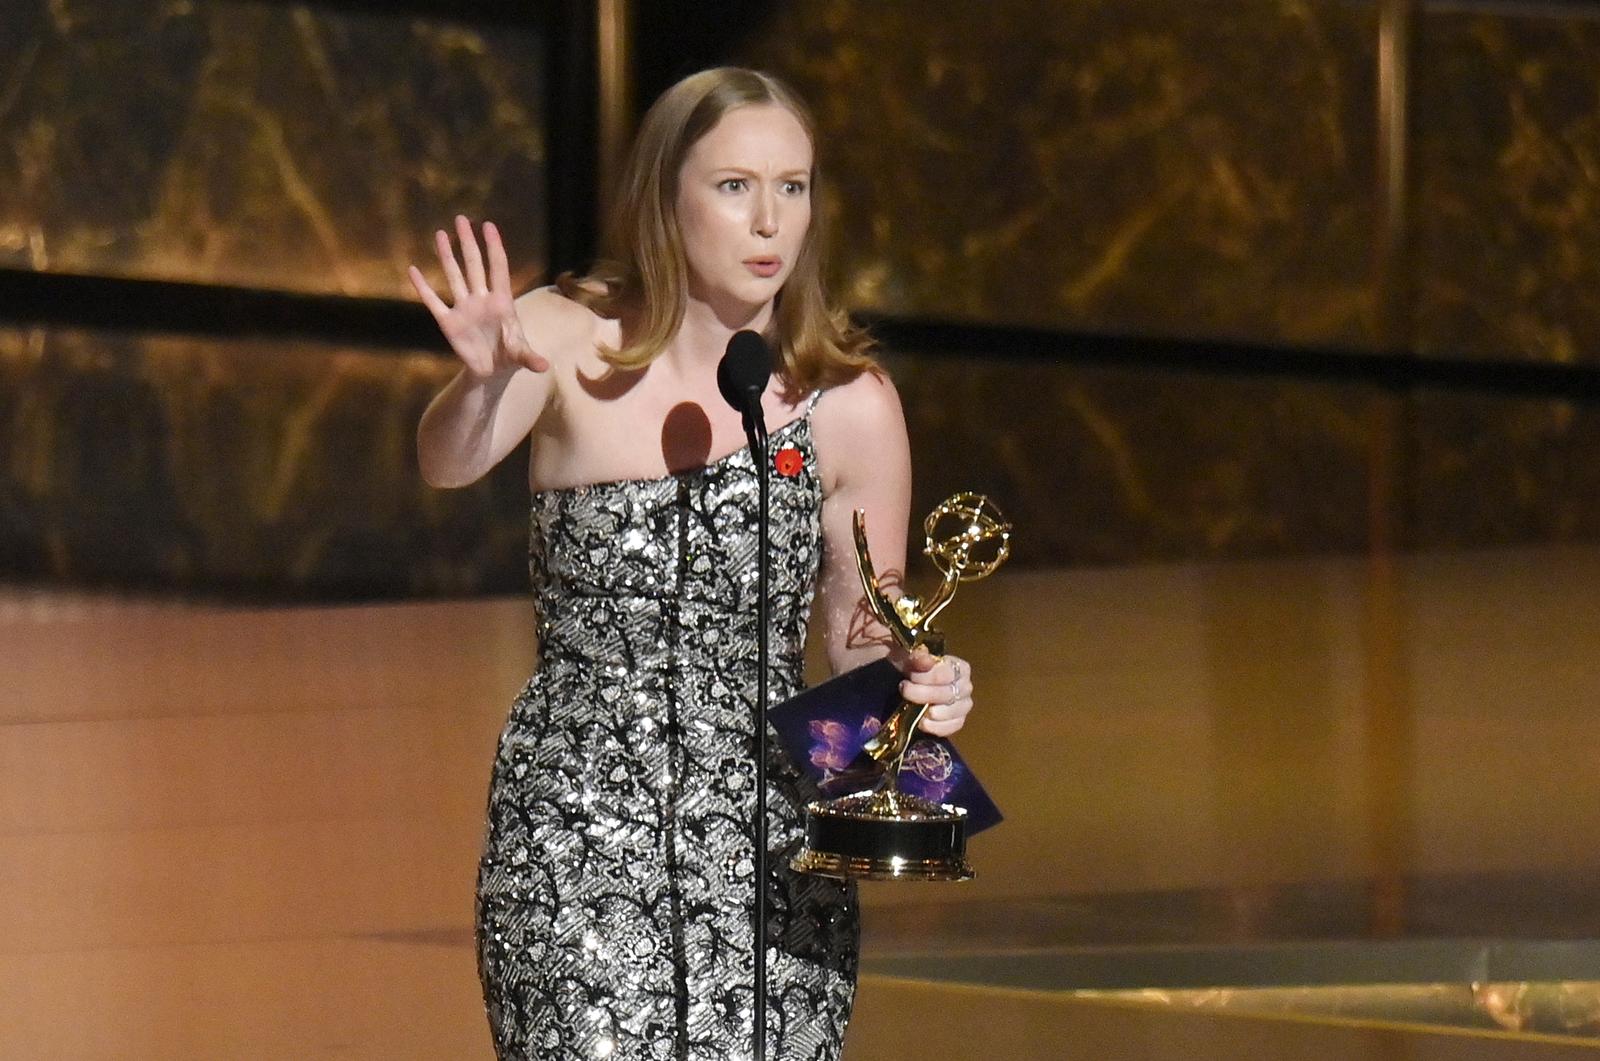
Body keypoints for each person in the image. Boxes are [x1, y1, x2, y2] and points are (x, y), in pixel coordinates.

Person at [410, 66, 976, 1060]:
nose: (769, 222)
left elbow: (860, 638)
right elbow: (446, 462)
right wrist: (479, 380)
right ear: (665, 196)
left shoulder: (847, 402)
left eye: (791, 187)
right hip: (575, 822)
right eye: (734, 187)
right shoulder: (568, 337)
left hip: (767, 840)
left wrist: (918, 692)